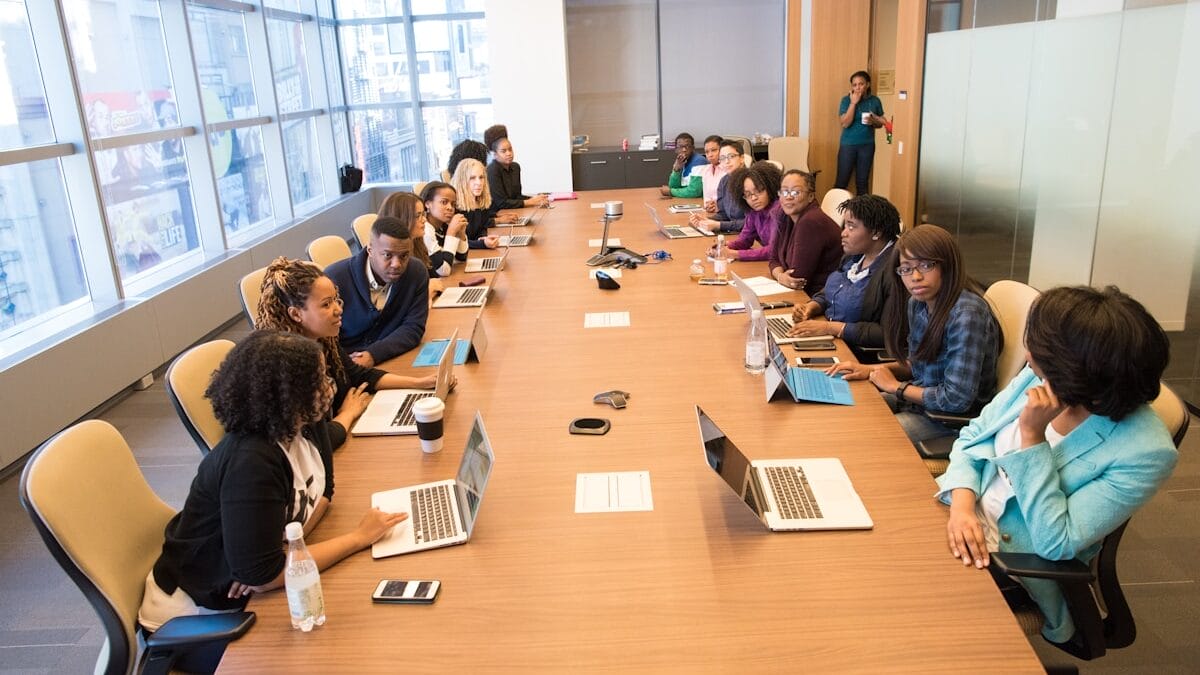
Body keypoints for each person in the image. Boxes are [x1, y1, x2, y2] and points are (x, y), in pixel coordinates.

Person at [935, 285, 1177, 648]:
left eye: (1040, 352)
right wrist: (963, 507)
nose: (1028, 356)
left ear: (1077, 369)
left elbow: (1055, 542)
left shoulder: (1145, 451)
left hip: (1011, 563)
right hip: (960, 516)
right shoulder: (1042, 376)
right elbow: (973, 437)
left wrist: (1033, 438)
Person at [138, 331, 408, 653]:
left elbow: (325, 492)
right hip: (199, 618)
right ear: (288, 395)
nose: (329, 385)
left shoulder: (304, 422)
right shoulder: (251, 461)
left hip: (253, 584)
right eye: (318, 380)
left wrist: (289, 551)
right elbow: (263, 576)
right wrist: (358, 538)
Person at [828, 224, 999, 444]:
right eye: (906, 269)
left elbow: (956, 399)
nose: (915, 277)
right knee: (843, 412)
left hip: (949, 421)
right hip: (918, 402)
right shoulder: (918, 303)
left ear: (948, 266)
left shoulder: (967, 314)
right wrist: (868, 369)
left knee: (862, 436)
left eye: (926, 265)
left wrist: (894, 386)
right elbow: (918, 364)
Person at [257, 257, 436, 448]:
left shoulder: (324, 341)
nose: (338, 310)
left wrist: (419, 383)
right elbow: (311, 444)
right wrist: (347, 414)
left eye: (336, 300)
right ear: (295, 314)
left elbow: (358, 375)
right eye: (326, 304)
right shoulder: (286, 367)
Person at [788, 194, 901, 354]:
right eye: (845, 225)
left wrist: (830, 328)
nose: (843, 233)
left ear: (876, 233)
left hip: (858, 354)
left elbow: (888, 333)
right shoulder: (855, 256)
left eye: (851, 227)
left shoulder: (897, 271)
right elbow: (833, 290)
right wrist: (812, 306)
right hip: (833, 340)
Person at [325, 215, 430, 367]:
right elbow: (323, 339)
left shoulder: (416, 272)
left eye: (404, 256)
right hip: (346, 365)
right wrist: (348, 364)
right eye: (387, 255)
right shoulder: (334, 278)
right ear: (370, 250)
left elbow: (413, 328)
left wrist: (373, 355)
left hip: (390, 359)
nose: (396, 264)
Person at [768, 170, 842, 296]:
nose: (788, 197)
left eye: (796, 192)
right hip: (799, 292)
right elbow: (773, 259)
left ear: (810, 196)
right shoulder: (785, 216)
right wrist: (781, 276)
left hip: (818, 297)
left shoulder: (810, 221)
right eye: (784, 191)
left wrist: (782, 277)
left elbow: (798, 278)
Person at [377, 190, 443, 300]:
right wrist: (427, 291)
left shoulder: (417, 244)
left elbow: (436, 280)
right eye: (418, 216)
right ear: (401, 219)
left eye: (423, 214)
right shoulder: (389, 259)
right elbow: (399, 302)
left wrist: (428, 290)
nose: (424, 220)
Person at [713, 161, 783, 262]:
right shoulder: (753, 211)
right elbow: (745, 240)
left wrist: (734, 254)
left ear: (770, 188)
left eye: (758, 191)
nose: (753, 198)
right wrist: (725, 246)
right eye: (748, 194)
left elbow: (774, 250)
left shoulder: (780, 210)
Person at [835, 70, 885, 195]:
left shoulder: (875, 101)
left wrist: (873, 121)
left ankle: (863, 208)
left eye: (861, 84)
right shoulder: (846, 100)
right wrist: (853, 103)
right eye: (854, 85)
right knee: (842, 181)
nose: (857, 87)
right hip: (848, 145)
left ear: (867, 84)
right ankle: (835, 207)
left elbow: (881, 123)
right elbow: (845, 123)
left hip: (867, 145)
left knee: (862, 182)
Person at [451, 158, 516, 249]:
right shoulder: (453, 207)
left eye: (481, 177)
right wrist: (482, 243)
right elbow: (456, 242)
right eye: (472, 178)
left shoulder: (480, 202)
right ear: (462, 181)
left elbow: (482, 228)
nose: (479, 183)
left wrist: (484, 238)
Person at [690, 139, 747, 234]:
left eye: (731, 156)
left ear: (742, 158)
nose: (727, 161)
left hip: (752, 237)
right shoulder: (724, 181)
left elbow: (752, 222)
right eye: (723, 158)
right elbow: (723, 214)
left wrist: (718, 225)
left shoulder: (750, 182)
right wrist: (706, 220)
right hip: (734, 233)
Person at [484, 124, 546, 210]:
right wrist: (530, 202)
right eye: (503, 151)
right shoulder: (492, 170)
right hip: (499, 213)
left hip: (514, 211)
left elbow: (517, 197)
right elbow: (501, 203)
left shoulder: (515, 167)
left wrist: (536, 199)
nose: (508, 153)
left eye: (510, 149)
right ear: (495, 154)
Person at [419, 181, 469, 277]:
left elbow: (461, 259)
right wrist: (451, 233)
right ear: (428, 204)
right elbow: (443, 271)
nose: (450, 208)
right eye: (444, 202)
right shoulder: (425, 229)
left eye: (453, 204)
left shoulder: (443, 225)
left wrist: (461, 234)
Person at [659, 132, 708, 197]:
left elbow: (695, 191)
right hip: (685, 200)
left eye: (687, 146)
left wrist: (670, 192)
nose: (684, 150)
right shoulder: (681, 161)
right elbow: (673, 186)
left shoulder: (699, 161)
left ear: (693, 148)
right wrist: (676, 170)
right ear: (676, 149)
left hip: (698, 201)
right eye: (680, 147)